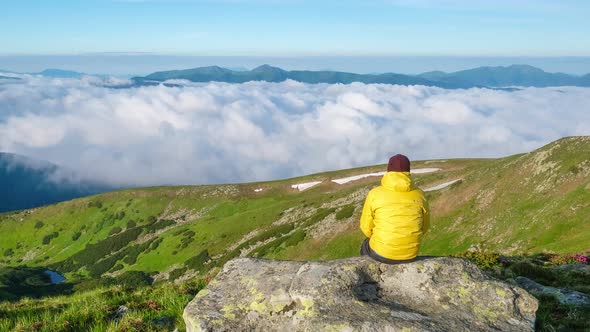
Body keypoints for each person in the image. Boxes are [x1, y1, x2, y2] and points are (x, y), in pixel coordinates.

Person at [359, 154, 429, 264]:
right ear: (408, 171)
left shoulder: (374, 194)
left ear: (388, 170)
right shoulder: (419, 195)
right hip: (411, 254)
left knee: (365, 245)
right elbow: (425, 227)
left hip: (381, 253)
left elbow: (366, 227)